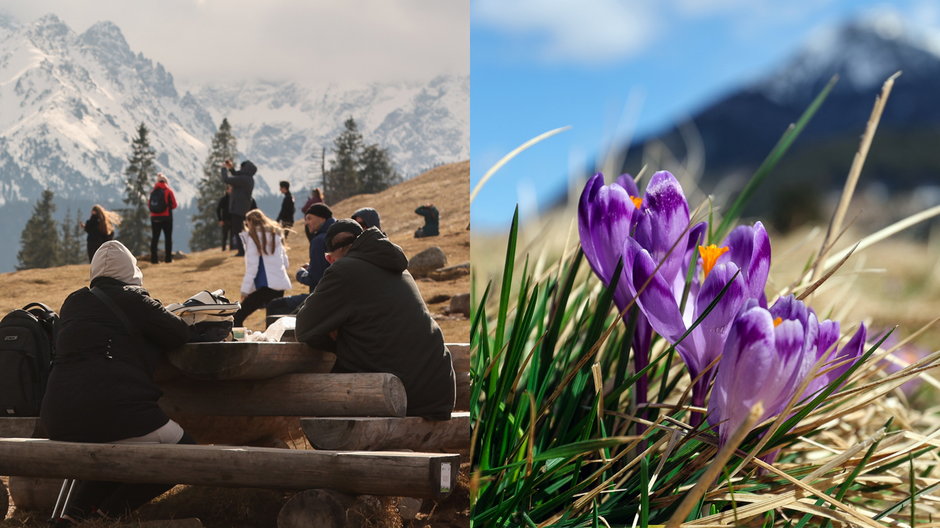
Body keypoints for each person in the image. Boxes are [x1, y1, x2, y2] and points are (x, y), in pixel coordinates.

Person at [40, 241, 193, 525]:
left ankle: (73, 516)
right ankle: (106, 515)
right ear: (132, 272)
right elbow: (179, 333)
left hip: (58, 419)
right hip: (115, 412)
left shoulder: (73, 302)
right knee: (188, 454)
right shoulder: (135, 300)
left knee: (111, 445)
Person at [295, 220, 456, 419]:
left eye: (329, 258)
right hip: (437, 393)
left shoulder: (344, 269)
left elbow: (303, 328)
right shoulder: (396, 266)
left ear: (334, 254)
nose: (330, 262)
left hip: (401, 395)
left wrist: (338, 339)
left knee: (317, 394)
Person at [265, 203, 335, 318]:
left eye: (309, 218)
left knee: (275, 305)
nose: (306, 223)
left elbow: (314, 279)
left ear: (322, 218)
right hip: (336, 294)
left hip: (320, 297)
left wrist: (300, 273)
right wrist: (312, 267)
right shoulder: (337, 233)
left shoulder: (319, 240)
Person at [233, 209, 292, 327]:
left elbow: (252, 268)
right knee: (273, 323)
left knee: (238, 317)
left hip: (263, 286)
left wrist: (245, 290)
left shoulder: (253, 238)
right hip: (279, 284)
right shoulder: (276, 233)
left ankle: (238, 342)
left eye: (247, 223)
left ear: (250, 222)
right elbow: (285, 262)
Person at [219, 159, 257, 256]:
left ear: (245, 168)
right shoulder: (248, 178)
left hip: (238, 209)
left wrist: (223, 168)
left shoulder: (243, 179)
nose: (240, 169)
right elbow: (237, 174)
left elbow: (226, 180)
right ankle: (243, 250)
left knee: (237, 231)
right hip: (243, 208)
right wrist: (231, 168)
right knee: (241, 230)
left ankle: (241, 251)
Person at [149, 174, 178, 264]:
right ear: (166, 182)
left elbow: (149, 205)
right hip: (166, 217)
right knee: (168, 238)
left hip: (154, 218)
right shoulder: (168, 191)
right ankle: (168, 259)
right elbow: (174, 205)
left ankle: (154, 259)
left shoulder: (153, 191)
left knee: (155, 238)